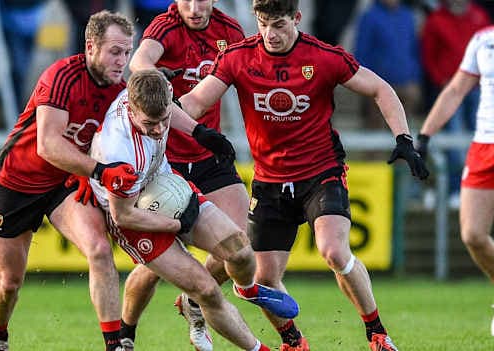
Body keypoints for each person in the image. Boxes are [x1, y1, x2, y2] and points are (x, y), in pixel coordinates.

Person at [175, 0, 430, 350]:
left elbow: (380, 88)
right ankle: (293, 341)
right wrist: (170, 115)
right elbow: (195, 101)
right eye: (263, 24)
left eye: (279, 24)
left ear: (296, 18)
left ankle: (377, 333)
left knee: (334, 252)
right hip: (269, 181)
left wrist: (404, 138)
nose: (270, 34)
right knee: (264, 277)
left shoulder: (324, 57)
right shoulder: (238, 57)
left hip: (320, 173)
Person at [87, 68, 298, 351]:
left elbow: (169, 110)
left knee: (240, 249)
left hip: (165, 184)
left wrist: (199, 132)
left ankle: (245, 289)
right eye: (151, 124)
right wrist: (175, 225)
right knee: (207, 290)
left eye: (163, 120)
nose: (160, 130)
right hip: (133, 216)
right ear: (132, 110)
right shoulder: (119, 153)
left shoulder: (153, 93)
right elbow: (121, 215)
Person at [0, 11, 140, 351]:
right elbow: (49, 144)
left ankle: (115, 344)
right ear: (90, 47)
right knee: (8, 283)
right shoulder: (62, 76)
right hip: (18, 182)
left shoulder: (120, 92)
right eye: (115, 52)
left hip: (63, 186)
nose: (122, 61)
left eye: (127, 53)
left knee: (99, 250)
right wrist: (97, 171)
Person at [119, 1, 249, 350]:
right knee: (154, 265)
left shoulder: (230, 31)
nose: (194, 7)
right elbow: (139, 61)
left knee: (238, 246)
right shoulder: (166, 26)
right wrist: (157, 75)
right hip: (167, 163)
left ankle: (193, 299)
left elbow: (247, 74)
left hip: (210, 153)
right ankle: (124, 334)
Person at [416, 25, 494, 336]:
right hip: (483, 146)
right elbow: (456, 90)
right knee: (473, 234)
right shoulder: (483, 39)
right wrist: (423, 136)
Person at [420, 0, 490, 205]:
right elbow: (429, 57)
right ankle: (455, 189)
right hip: (452, 85)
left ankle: (469, 190)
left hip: (478, 89)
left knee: (475, 140)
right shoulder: (437, 20)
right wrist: (441, 79)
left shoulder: (480, 16)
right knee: (455, 142)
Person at [354, 0, 422, 131]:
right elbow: (361, 52)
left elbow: (414, 49)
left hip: (405, 84)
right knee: (374, 130)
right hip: (377, 87)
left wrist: (415, 78)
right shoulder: (369, 16)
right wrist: (366, 84)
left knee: (402, 131)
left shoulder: (407, 16)